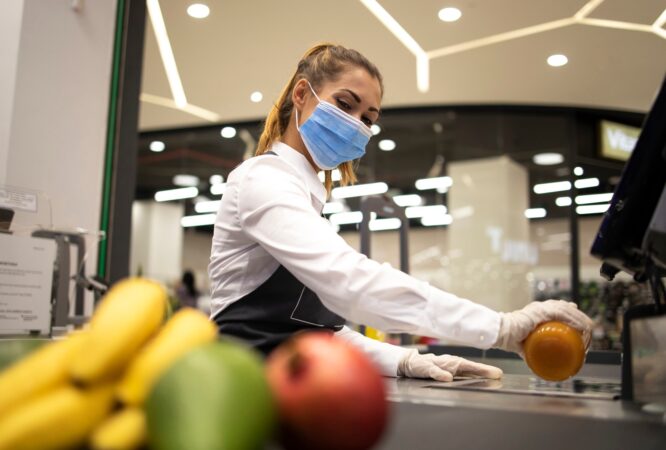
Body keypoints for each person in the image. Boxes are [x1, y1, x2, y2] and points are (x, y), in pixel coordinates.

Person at [208, 43, 593, 381]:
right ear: (302, 94)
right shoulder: (263, 180)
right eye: (345, 104)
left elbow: (314, 333)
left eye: (368, 119)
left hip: (285, 384)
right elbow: (350, 283)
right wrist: (500, 327)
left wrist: (407, 360)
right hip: (233, 387)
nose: (356, 124)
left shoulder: (305, 199)